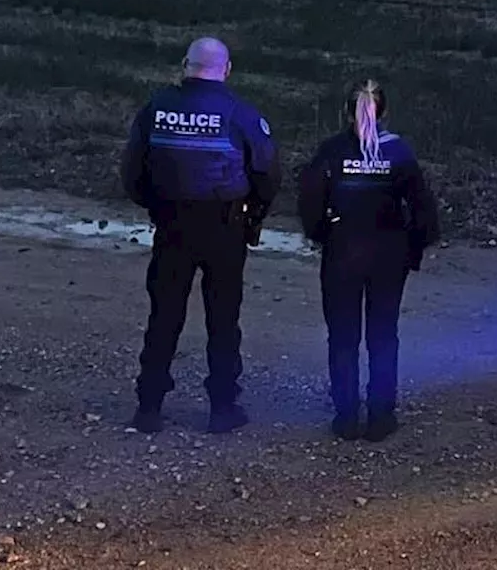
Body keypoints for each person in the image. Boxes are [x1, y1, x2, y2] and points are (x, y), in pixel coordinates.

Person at [119, 36, 281, 435]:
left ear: (184, 65)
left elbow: (131, 172)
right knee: (223, 318)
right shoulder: (239, 114)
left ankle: (149, 406)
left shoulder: (156, 109)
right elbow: (267, 172)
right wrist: (254, 214)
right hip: (224, 227)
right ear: (226, 70)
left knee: (164, 316)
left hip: (172, 225)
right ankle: (222, 408)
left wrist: (156, 205)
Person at [297, 78, 440, 442]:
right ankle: (380, 414)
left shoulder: (331, 150)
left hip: (343, 251)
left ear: (346, 112)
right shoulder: (399, 152)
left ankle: (345, 415)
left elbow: (310, 201)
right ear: (385, 113)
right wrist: (414, 247)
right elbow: (423, 209)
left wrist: (321, 234)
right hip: (389, 252)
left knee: (343, 334)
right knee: (383, 333)